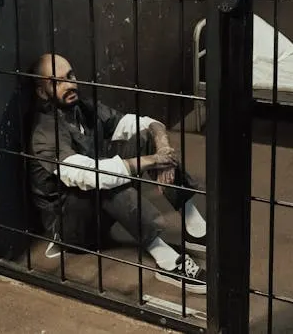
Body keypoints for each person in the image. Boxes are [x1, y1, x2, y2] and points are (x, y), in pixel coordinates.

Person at [26, 53, 208, 294]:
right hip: (72, 228)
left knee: (145, 140)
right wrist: (152, 160)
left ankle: (193, 227)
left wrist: (162, 148)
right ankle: (165, 259)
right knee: (103, 177)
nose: (69, 85)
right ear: (41, 92)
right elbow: (88, 175)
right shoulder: (45, 132)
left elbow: (142, 123)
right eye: (57, 82)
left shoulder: (83, 108)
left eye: (70, 76)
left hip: (98, 212)